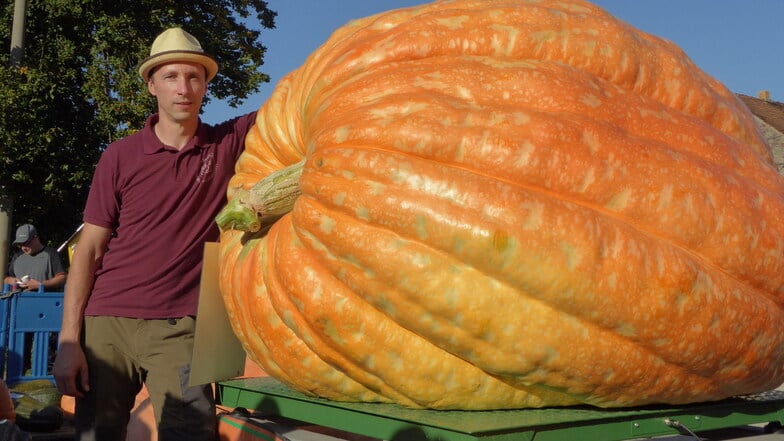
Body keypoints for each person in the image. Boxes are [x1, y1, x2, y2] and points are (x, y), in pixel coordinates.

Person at [52, 27, 258, 441]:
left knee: (191, 434)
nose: (183, 87)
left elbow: (299, 97)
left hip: (179, 327)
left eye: (194, 77)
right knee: (96, 435)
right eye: (170, 77)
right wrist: (69, 341)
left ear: (206, 85)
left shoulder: (226, 144)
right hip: (106, 324)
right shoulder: (120, 155)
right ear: (151, 85)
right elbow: (89, 250)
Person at [3, 224, 67, 292]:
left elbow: (63, 278)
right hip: (20, 300)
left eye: (26, 243)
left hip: (44, 300)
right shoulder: (17, 257)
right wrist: (13, 281)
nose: (23, 248)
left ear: (36, 238)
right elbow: (6, 279)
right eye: (20, 244)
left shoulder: (51, 253)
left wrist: (41, 285)